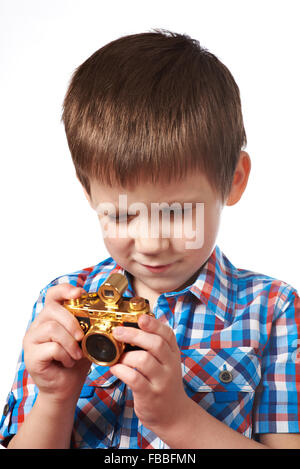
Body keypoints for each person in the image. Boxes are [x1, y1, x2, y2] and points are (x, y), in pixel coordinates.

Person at [1, 29, 299, 449]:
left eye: (177, 213)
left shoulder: (272, 310)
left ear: (233, 181)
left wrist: (177, 419)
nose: (151, 242)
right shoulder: (63, 301)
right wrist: (55, 397)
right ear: (89, 194)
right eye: (122, 214)